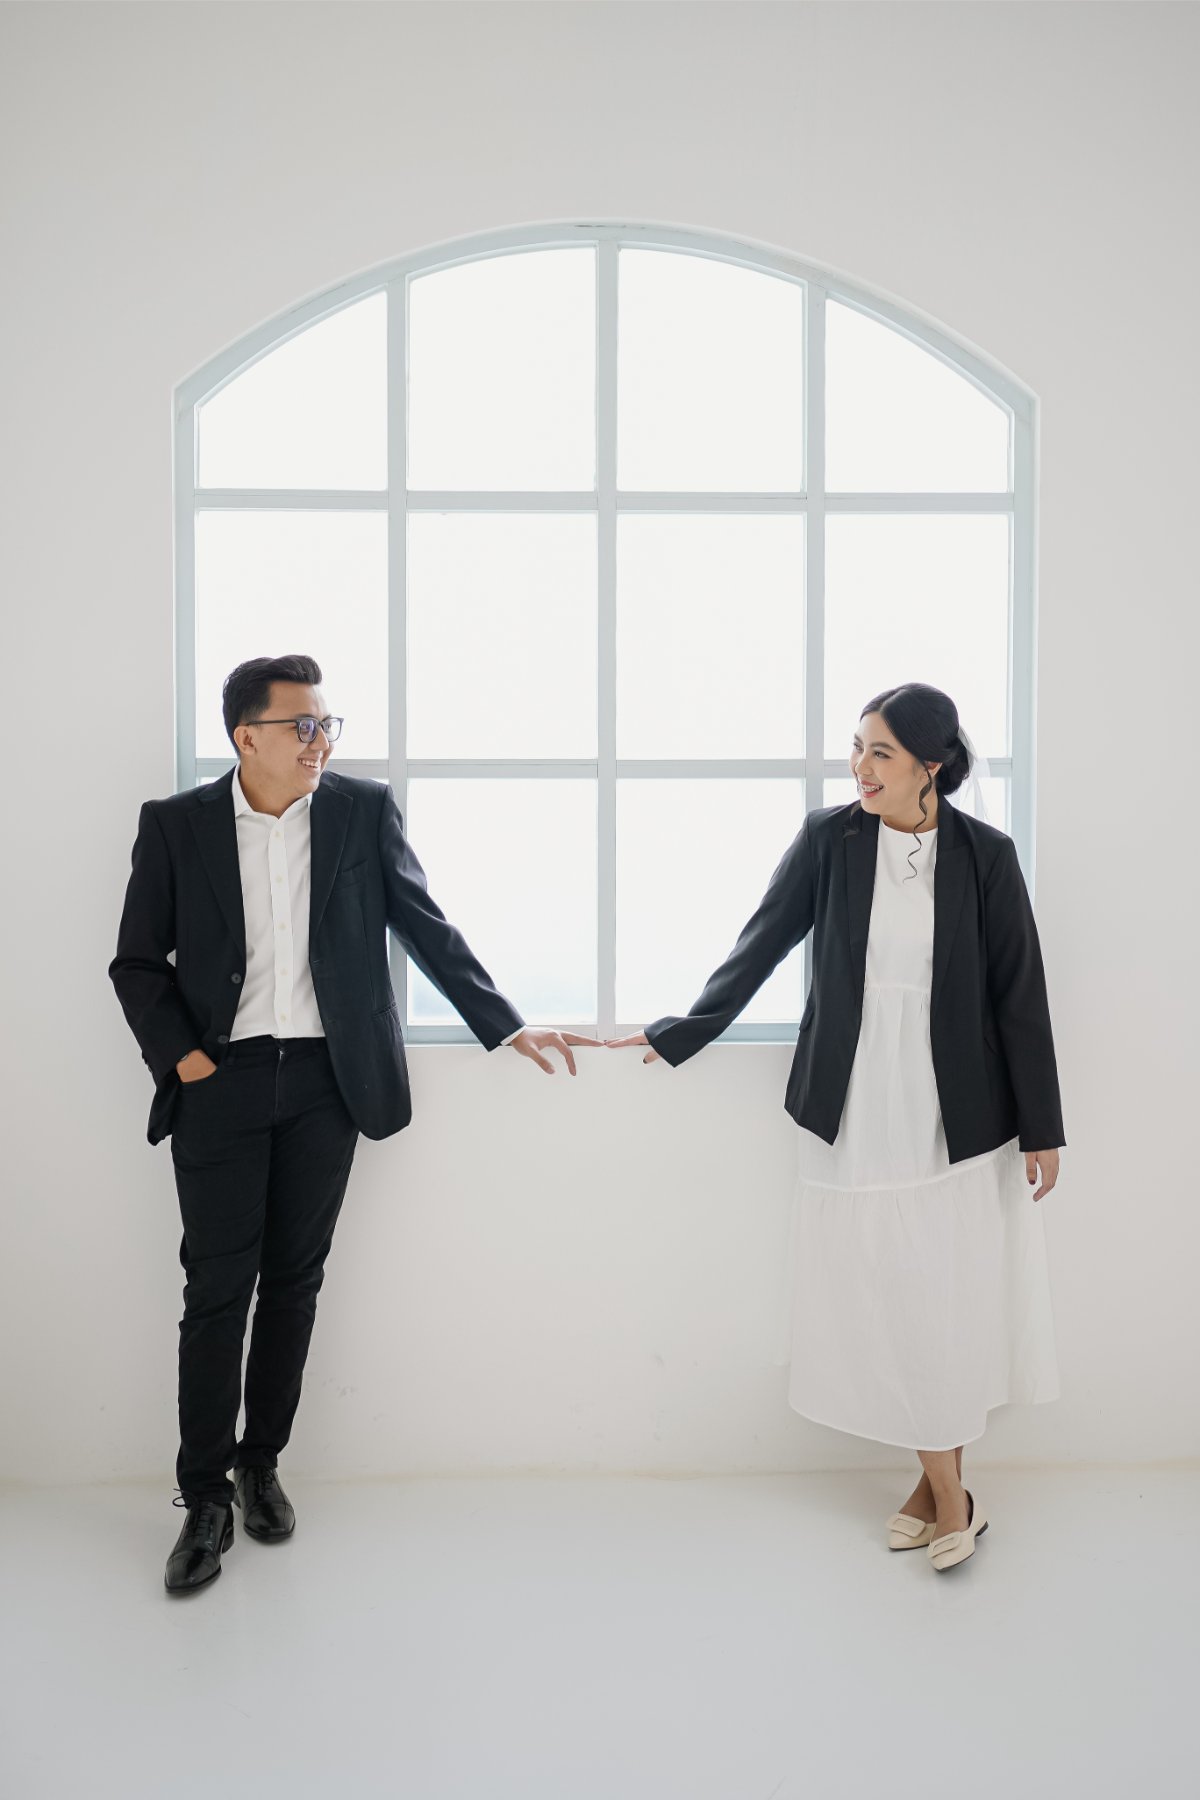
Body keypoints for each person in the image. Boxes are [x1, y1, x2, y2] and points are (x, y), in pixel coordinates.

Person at [109, 653, 597, 1595]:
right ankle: (203, 1497)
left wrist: (505, 1024)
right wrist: (187, 1059)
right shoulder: (176, 825)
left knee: (294, 1282)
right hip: (222, 1081)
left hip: (328, 1082)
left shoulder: (361, 813)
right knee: (217, 1290)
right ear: (245, 736)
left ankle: (260, 1465)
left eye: (327, 725)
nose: (320, 742)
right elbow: (136, 961)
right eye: (301, 726)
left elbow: (424, 922)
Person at [607, 682, 1064, 1573]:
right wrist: (681, 1032)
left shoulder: (987, 856)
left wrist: (1043, 1125)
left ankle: (943, 1495)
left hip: (955, 1108)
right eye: (857, 747)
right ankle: (947, 1491)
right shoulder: (830, 840)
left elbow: (1020, 992)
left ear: (931, 765)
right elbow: (762, 942)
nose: (860, 767)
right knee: (884, 1289)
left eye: (880, 752)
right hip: (854, 1100)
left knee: (940, 1293)